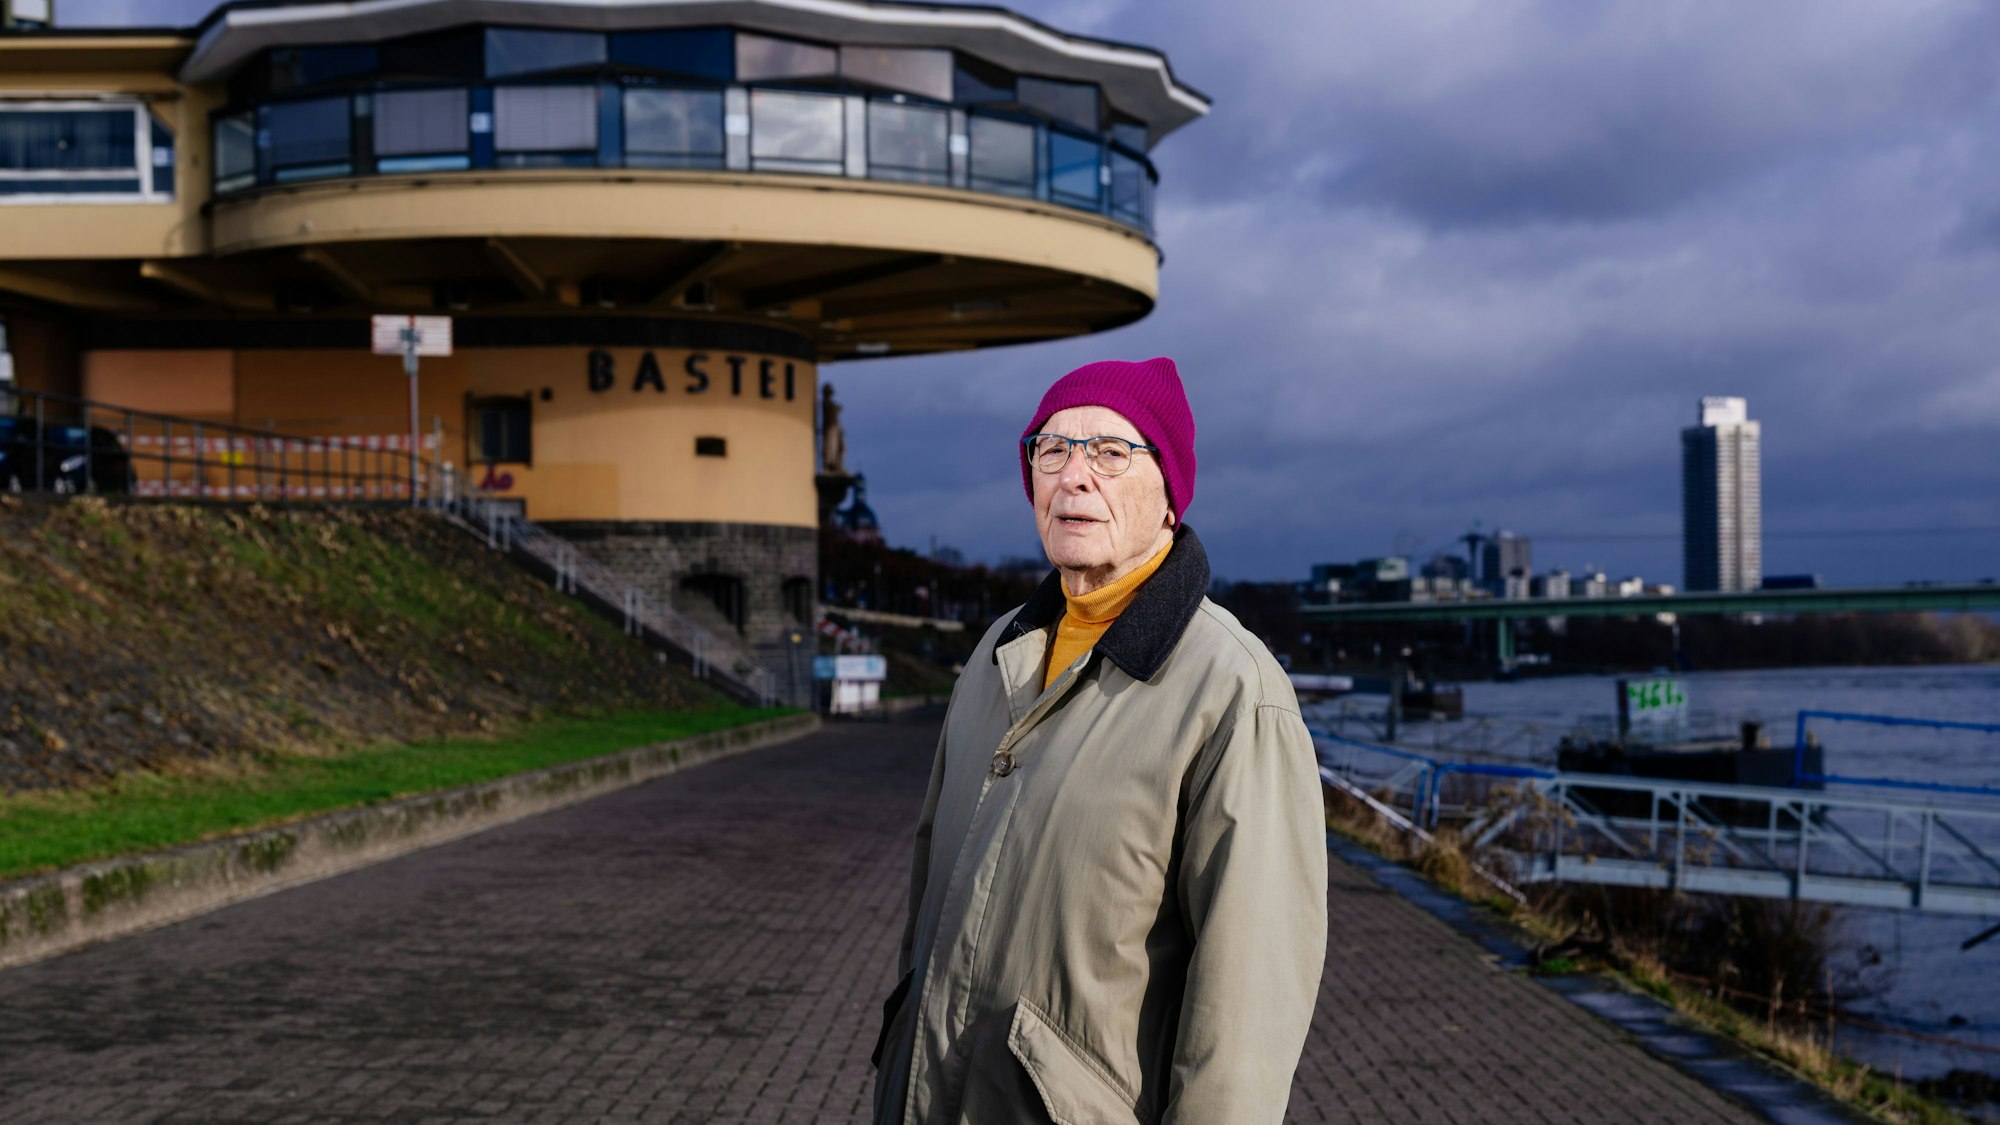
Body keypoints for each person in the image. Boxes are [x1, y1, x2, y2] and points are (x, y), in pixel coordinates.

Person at [871, 357, 1327, 1124]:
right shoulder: (995, 656)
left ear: (1170, 496)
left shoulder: (1231, 690)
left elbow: (1248, 1012)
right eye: (1052, 449)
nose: (1074, 475)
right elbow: (928, 897)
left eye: (1112, 453)